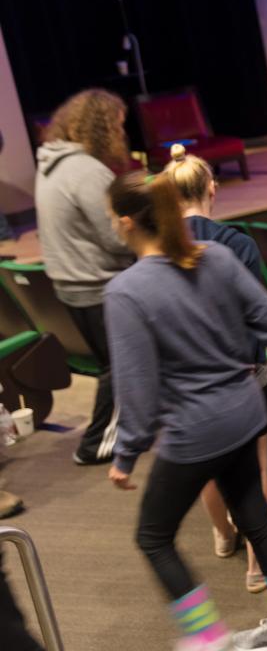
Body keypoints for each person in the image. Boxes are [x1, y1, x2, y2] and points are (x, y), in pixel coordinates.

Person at [103, 171, 267, 651]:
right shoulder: (219, 257)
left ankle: (207, 638)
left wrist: (127, 453)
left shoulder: (126, 291)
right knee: (255, 516)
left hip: (194, 430)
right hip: (246, 412)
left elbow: (137, 387)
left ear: (126, 222)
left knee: (153, 537)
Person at [163, 143, 267, 593]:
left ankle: (224, 536)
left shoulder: (156, 247)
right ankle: (257, 566)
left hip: (183, 381)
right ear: (213, 189)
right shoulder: (237, 244)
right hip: (241, 377)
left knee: (206, 465)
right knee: (252, 472)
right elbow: (257, 314)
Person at [34, 89, 135, 465]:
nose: (123, 134)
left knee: (120, 361)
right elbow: (114, 239)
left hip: (70, 283)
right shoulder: (88, 171)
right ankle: (96, 444)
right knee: (120, 366)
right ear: (104, 127)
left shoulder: (50, 163)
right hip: (97, 284)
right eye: (119, 126)